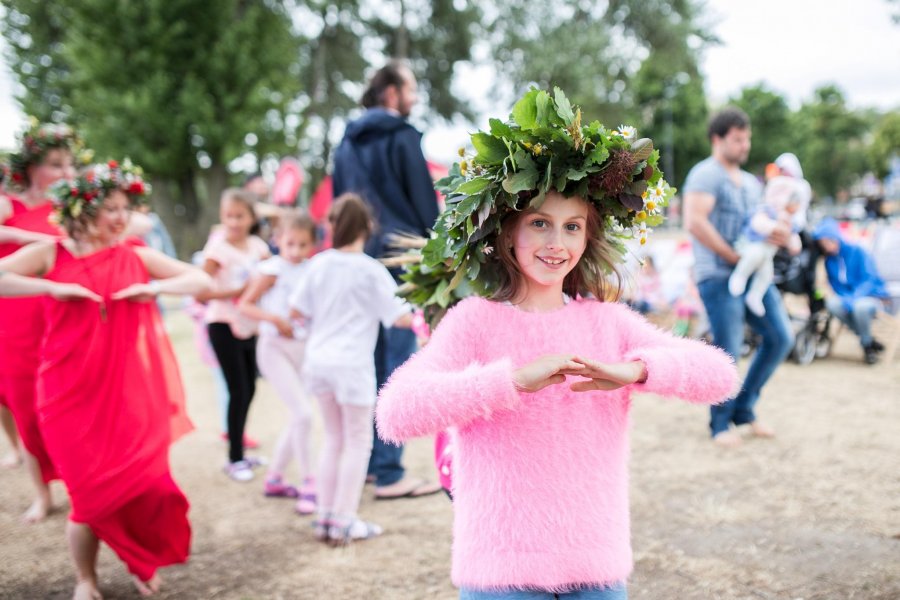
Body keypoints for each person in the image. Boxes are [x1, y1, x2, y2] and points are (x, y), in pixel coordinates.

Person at [376, 89, 739, 598]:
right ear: (507, 234)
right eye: (540, 223)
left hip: (596, 566)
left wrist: (635, 370)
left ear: (588, 238)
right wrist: (510, 382)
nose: (557, 243)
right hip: (499, 572)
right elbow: (395, 413)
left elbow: (721, 376)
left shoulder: (608, 322)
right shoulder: (474, 321)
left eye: (572, 228)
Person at [0, 160, 210, 599]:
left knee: (145, 484)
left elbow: (201, 279)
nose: (121, 217)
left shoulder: (135, 254)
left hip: (124, 391)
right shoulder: (52, 253)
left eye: (124, 208)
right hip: (64, 394)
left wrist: (153, 289)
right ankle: (86, 580)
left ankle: (140, 558)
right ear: (83, 209)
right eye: (111, 208)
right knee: (87, 497)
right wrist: (52, 289)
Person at [331, 60, 441, 499]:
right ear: (392, 94)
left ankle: (371, 465)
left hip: (357, 260)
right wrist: (439, 250)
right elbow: (423, 202)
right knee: (396, 365)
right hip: (400, 260)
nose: (414, 98)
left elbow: (341, 205)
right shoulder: (402, 136)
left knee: (366, 361)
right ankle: (391, 472)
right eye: (410, 89)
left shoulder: (345, 144)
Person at [289, 194, 414, 544]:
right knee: (357, 441)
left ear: (332, 226)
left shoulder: (318, 264)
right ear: (367, 228)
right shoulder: (370, 270)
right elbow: (400, 317)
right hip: (352, 366)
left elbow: (296, 310)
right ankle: (344, 519)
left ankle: (325, 516)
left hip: (318, 362)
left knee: (332, 438)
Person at [683, 108, 795, 448]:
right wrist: (733, 257)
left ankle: (744, 410)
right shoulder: (704, 174)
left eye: (747, 138)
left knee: (780, 338)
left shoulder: (750, 182)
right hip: (717, 275)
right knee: (728, 349)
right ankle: (719, 423)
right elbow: (695, 222)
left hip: (754, 274)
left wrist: (779, 234)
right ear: (718, 139)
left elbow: (760, 222)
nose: (745, 145)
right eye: (737, 139)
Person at [0, 120, 77, 522]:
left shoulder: (72, 206)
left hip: (63, 319)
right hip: (14, 323)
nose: (66, 172)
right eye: (54, 163)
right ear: (31, 169)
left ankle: (79, 483)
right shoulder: (9, 205)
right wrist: (37, 241)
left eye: (69, 164)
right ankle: (41, 493)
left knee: (69, 404)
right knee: (26, 410)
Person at [238, 212, 318, 513]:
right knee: (304, 415)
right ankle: (310, 482)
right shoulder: (272, 269)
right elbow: (245, 304)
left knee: (298, 417)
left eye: (303, 245)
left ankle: (274, 478)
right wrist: (274, 319)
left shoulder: (312, 270)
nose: (295, 251)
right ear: (278, 241)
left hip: (303, 349)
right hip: (274, 348)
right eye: (290, 244)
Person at [196, 189, 271, 481]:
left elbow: (271, 276)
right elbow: (200, 292)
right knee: (237, 390)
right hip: (223, 324)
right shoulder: (217, 250)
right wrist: (237, 293)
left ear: (252, 218)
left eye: (240, 215)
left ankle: (241, 449)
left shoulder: (257, 246)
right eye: (229, 215)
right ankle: (234, 458)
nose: (234, 221)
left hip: (250, 326)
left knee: (250, 388)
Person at [727, 174, 808, 316]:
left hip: (767, 256)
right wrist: (775, 226)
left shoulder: (788, 219)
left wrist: (792, 242)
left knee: (767, 274)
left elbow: (793, 238)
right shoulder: (767, 210)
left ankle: (755, 296)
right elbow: (758, 223)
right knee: (755, 255)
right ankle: (739, 276)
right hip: (750, 246)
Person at [812, 218, 891, 365]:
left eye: (827, 241)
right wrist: (846, 298)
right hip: (847, 297)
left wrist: (853, 298)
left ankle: (867, 345)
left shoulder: (858, 251)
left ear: (835, 237)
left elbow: (869, 280)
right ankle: (868, 342)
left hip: (870, 295)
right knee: (832, 304)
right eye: (822, 244)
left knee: (860, 307)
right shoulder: (830, 261)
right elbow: (835, 285)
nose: (826, 246)